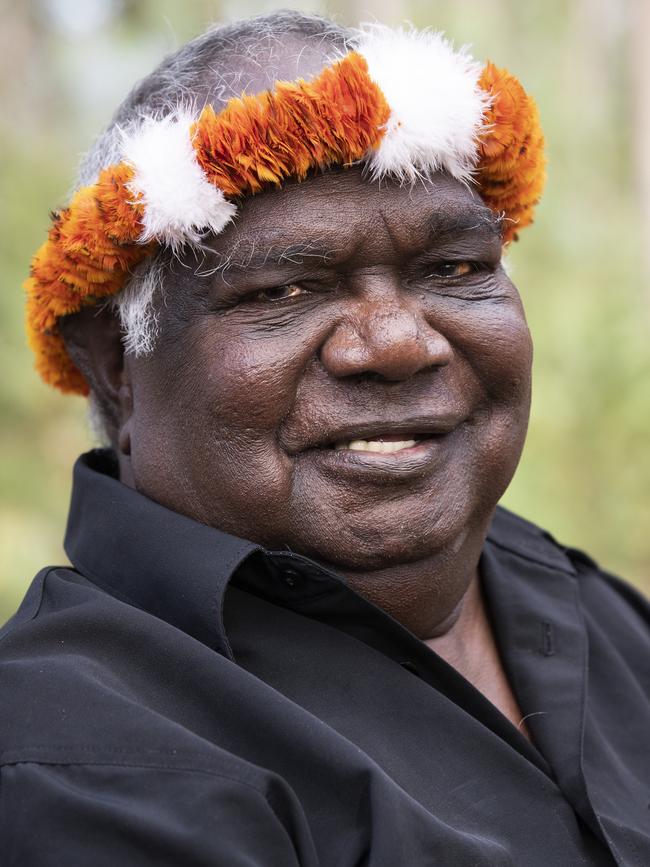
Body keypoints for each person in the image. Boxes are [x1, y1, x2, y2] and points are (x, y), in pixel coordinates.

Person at [1, 10, 648, 866]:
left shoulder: (593, 609)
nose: (396, 342)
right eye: (287, 288)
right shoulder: (72, 763)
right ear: (120, 364)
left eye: (455, 269)